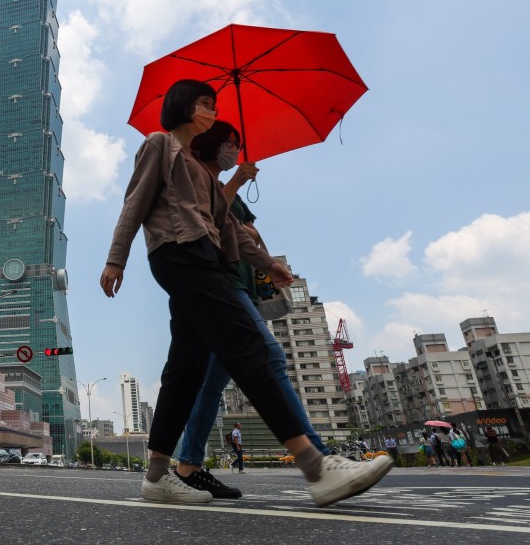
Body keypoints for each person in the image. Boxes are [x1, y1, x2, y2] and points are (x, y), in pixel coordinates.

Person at [100, 79, 393, 507]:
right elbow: (134, 202)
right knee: (248, 346)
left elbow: (232, 227)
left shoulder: (201, 171)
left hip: (206, 257)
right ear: (182, 106)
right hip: (180, 254)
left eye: (214, 105)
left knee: (186, 368)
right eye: (204, 103)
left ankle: (157, 476)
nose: (212, 111)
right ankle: (316, 466)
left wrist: (267, 262)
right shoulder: (159, 145)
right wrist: (116, 258)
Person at [172, 120, 332, 498]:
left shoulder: (225, 189)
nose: (234, 150)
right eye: (229, 143)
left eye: (238, 144)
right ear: (210, 144)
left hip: (238, 282)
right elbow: (207, 219)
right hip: (219, 285)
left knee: (209, 385)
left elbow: (245, 232)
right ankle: (319, 459)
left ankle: (187, 466)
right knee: (270, 357)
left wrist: (264, 257)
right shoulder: (195, 176)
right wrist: (237, 182)